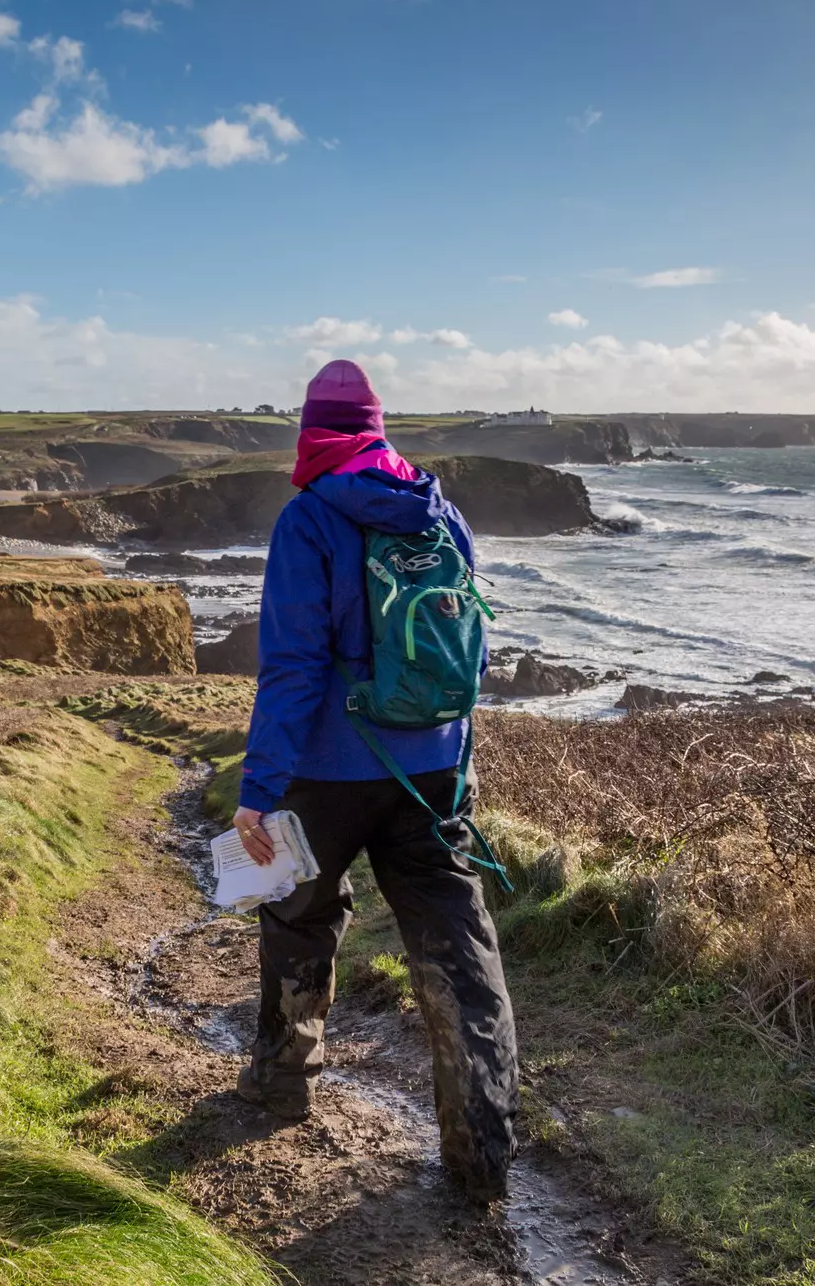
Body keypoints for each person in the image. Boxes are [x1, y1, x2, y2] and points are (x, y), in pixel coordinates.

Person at [231, 358, 519, 1202]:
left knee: (300, 910)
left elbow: (291, 665)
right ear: (379, 425)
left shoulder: (309, 517)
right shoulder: (438, 509)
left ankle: (284, 1081)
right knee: (457, 944)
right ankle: (483, 1148)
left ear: (312, 430)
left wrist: (259, 787)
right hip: (429, 765)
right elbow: (469, 649)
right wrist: (455, 756)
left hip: (327, 766)